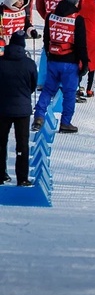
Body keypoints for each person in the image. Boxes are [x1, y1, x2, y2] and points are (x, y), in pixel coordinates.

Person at [31, 0, 88, 134]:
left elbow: (46, 38)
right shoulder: (77, 19)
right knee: (69, 94)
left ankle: (38, 117)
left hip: (54, 60)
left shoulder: (51, 17)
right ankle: (65, 123)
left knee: (48, 90)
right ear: (76, 2)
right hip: (70, 63)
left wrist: (50, 54)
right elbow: (81, 44)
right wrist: (84, 63)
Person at [0, 30, 36, 186]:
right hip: (22, 110)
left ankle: (1, 174)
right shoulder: (29, 63)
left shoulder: (1, 62)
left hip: (2, 109)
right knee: (22, 144)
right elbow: (33, 85)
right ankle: (22, 178)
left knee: (1, 142)